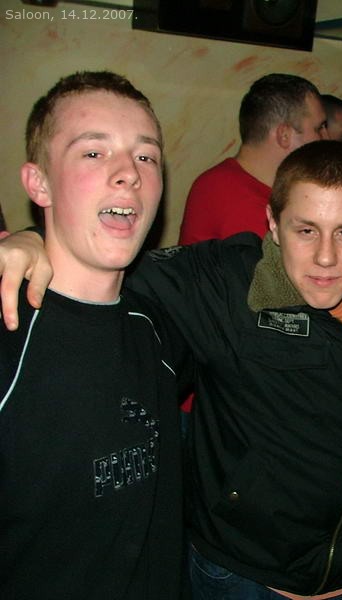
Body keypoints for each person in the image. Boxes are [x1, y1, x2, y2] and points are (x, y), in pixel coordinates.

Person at [0, 140, 342, 598]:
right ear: (273, 224)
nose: (325, 257)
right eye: (306, 230)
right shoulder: (225, 283)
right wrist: (31, 241)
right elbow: (104, 262)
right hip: (240, 577)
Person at [0, 71, 188, 599]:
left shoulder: (158, 326)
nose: (129, 173)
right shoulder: (9, 337)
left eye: (146, 156)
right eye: (93, 152)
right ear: (38, 183)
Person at [178, 73, 327, 244]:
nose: (327, 137)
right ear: (284, 135)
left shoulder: (272, 191)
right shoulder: (226, 191)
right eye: (319, 128)